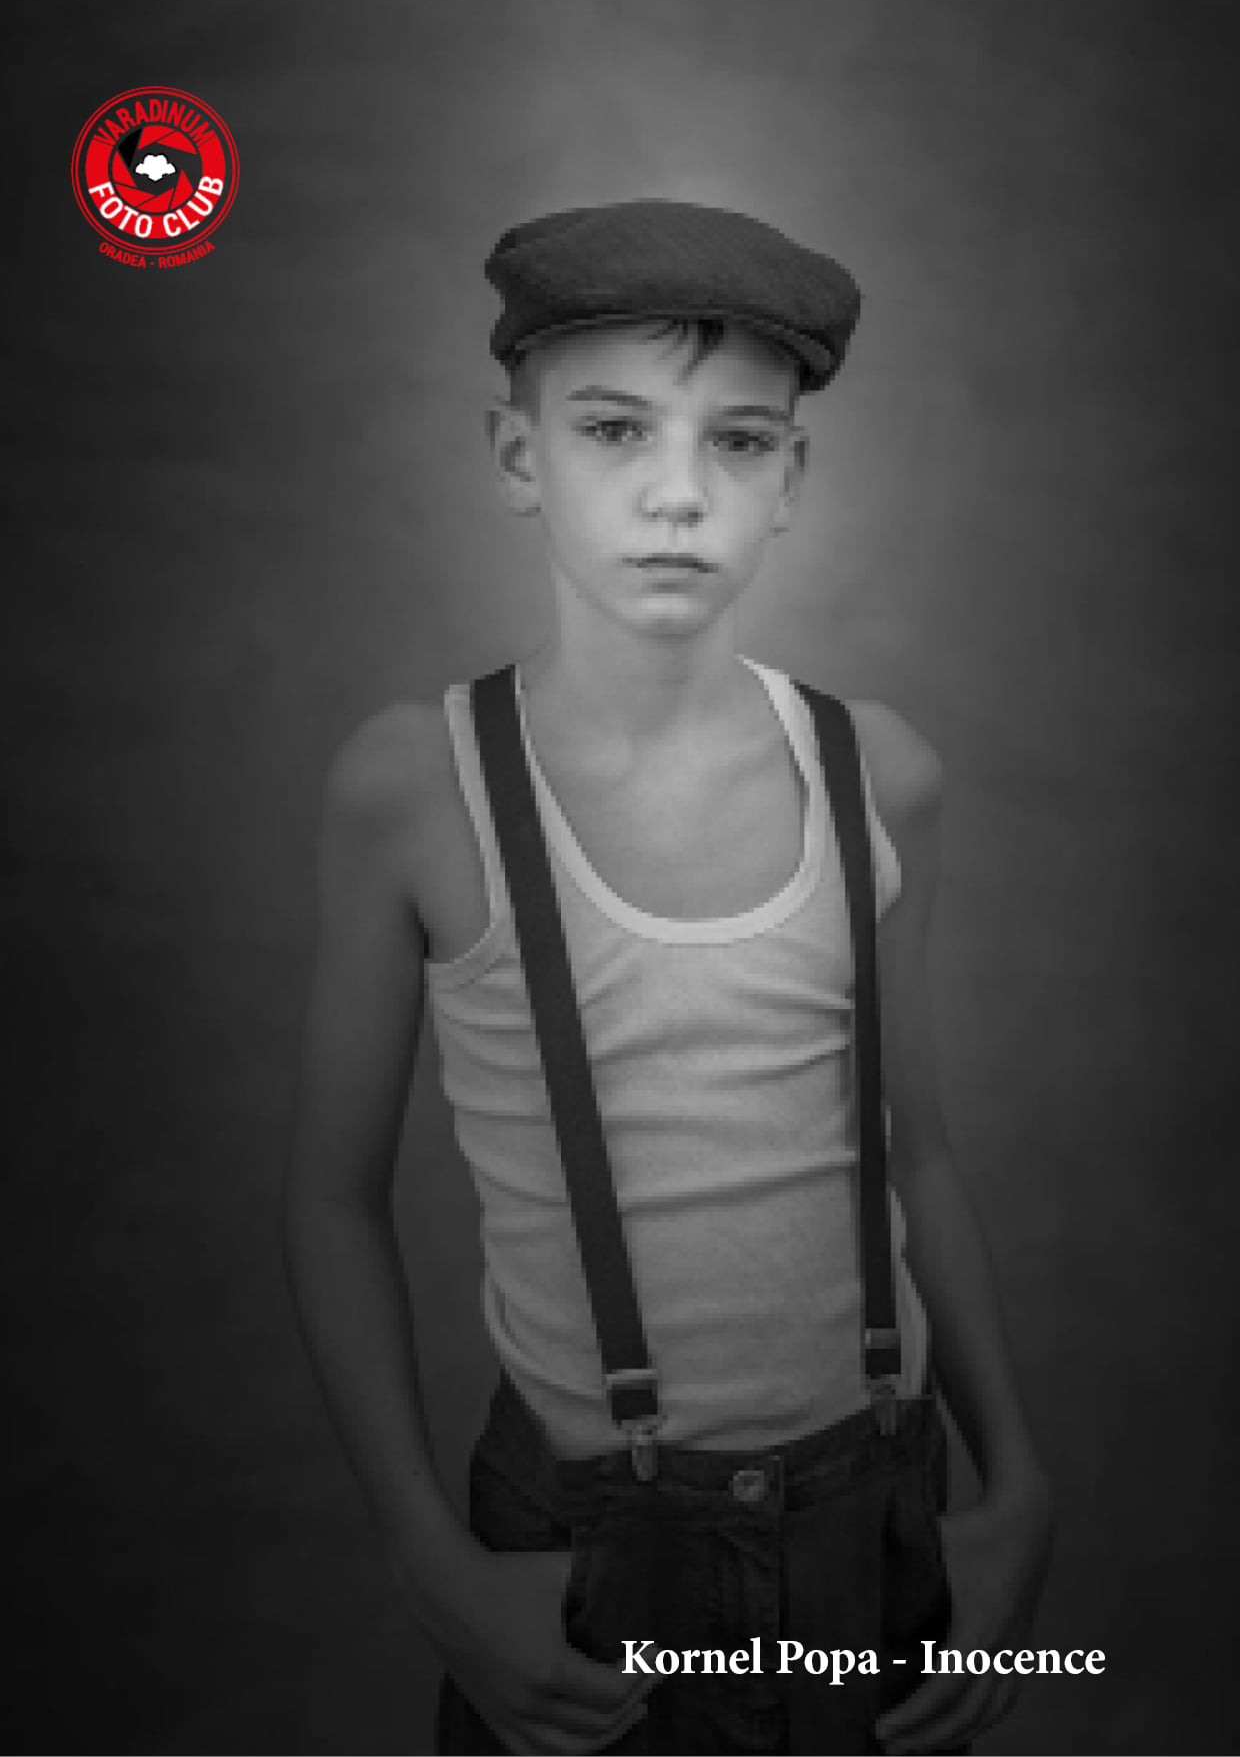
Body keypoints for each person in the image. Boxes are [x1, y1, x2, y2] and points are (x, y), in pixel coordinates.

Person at [285, 199, 1054, 1755]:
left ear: (793, 481)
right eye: (615, 429)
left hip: (878, 1525)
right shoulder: (415, 789)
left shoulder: (879, 773)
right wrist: (432, 1562)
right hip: (592, 1550)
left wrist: (1019, 1482)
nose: (680, 492)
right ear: (519, 456)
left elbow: (915, 1156)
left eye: (741, 442)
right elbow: (329, 1200)